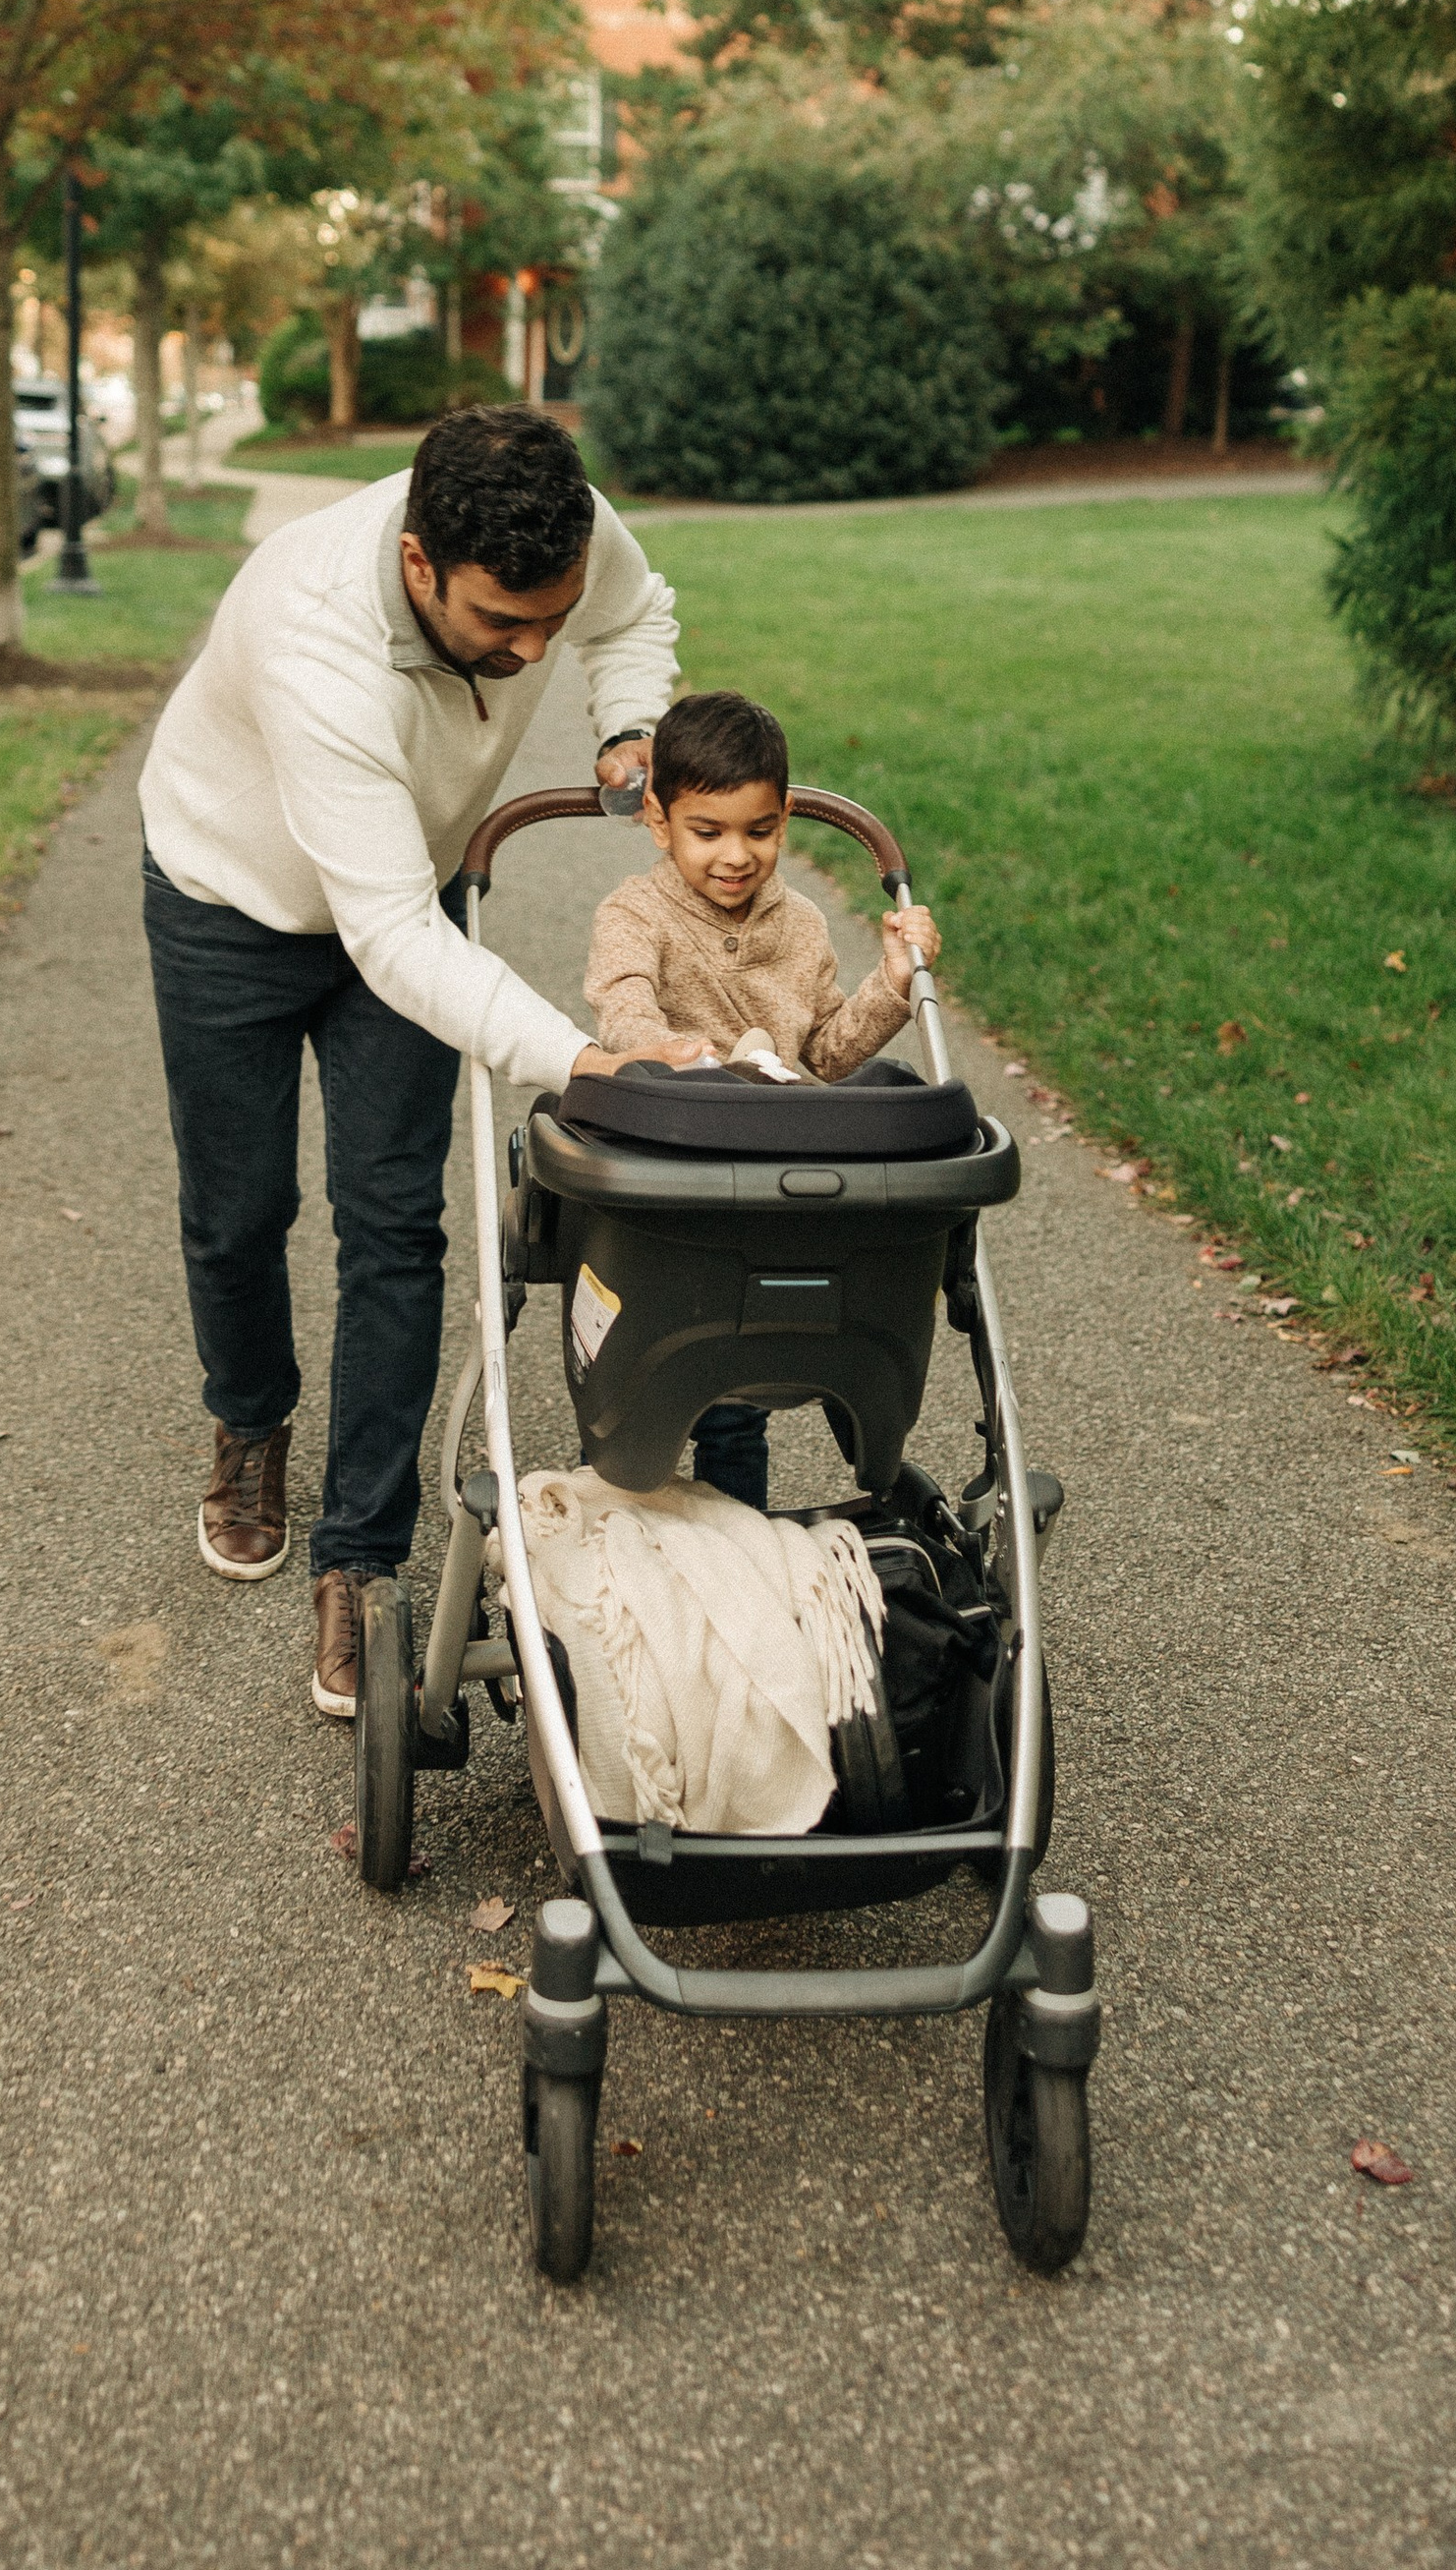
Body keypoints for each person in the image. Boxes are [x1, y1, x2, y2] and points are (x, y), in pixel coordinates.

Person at [139, 406, 705, 1719]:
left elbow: (636, 609)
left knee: (394, 1225)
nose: (531, 653)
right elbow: (386, 934)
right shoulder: (312, 631)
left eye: (549, 622)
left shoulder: (554, 525)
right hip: (231, 897)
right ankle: (250, 1417)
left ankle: (363, 1560)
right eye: (503, 624)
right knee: (239, 1213)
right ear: (415, 565)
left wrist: (627, 719)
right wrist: (583, 1063)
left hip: (407, 881)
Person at [582, 687, 941, 1512]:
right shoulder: (634, 914)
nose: (735, 856)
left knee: (736, 1400)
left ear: (784, 816)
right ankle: (618, 1522)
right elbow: (628, 1013)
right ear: (660, 821)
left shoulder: (801, 923)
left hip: (773, 1181)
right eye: (707, 833)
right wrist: (685, 1062)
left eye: (760, 831)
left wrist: (890, 984)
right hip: (673, 1172)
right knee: (645, 1383)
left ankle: (738, 1550)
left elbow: (826, 1052)